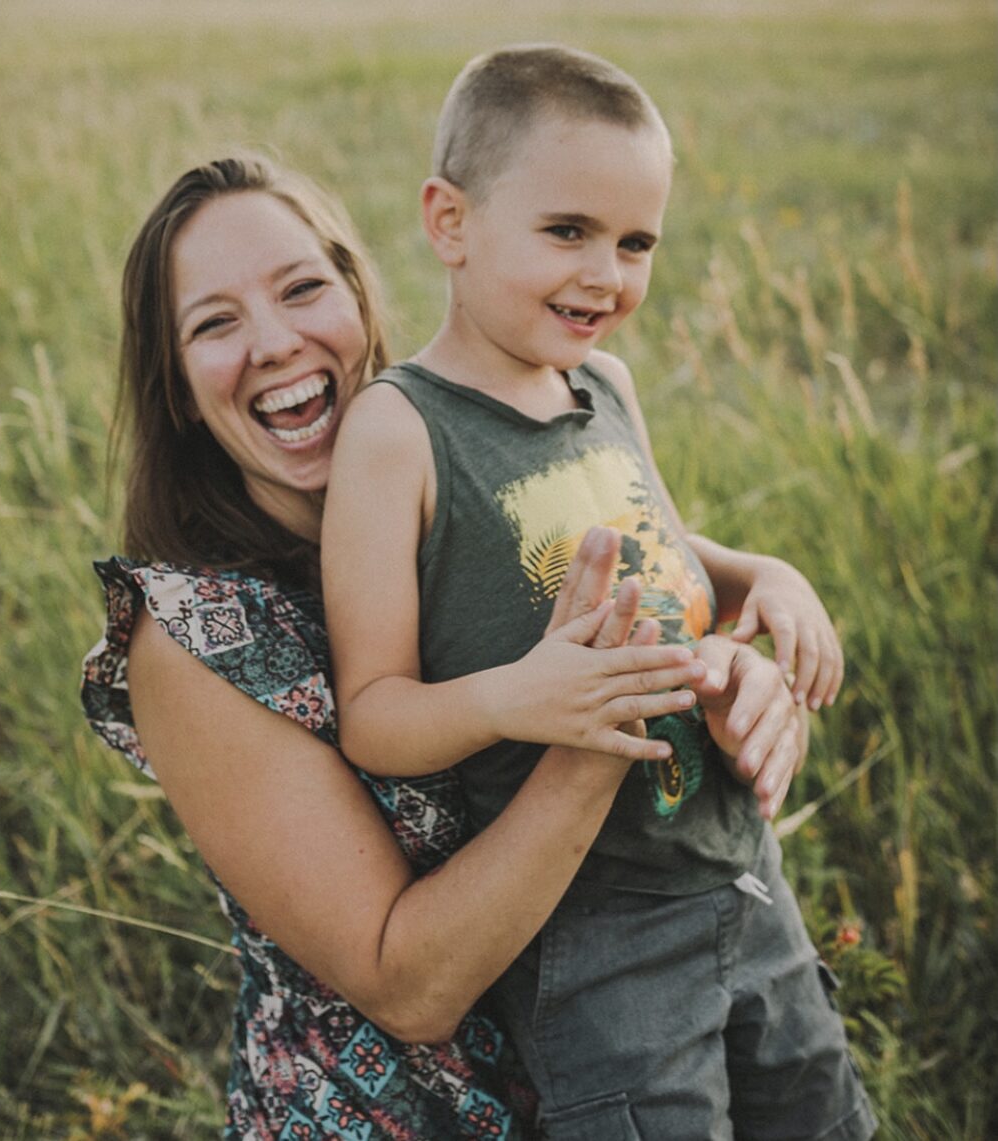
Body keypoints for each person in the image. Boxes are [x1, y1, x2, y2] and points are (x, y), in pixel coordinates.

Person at [79, 151, 791, 1140]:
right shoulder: (195, 638)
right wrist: (596, 720)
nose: (275, 342)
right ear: (178, 391)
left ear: (359, 299)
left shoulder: (432, 472)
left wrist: (746, 622)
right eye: (214, 324)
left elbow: (662, 568)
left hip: (638, 1038)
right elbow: (409, 988)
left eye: (302, 289)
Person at [322, 45, 876, 1140]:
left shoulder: (602, 384)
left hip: (736, 868)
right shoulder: (400, 432)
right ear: (450, 222)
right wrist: (513, 697)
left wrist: (764, 577)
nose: (605, 275)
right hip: (592, 928)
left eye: (635, 243)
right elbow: (373, 714)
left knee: (820, 1114)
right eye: (567, 232)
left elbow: (664, 555)